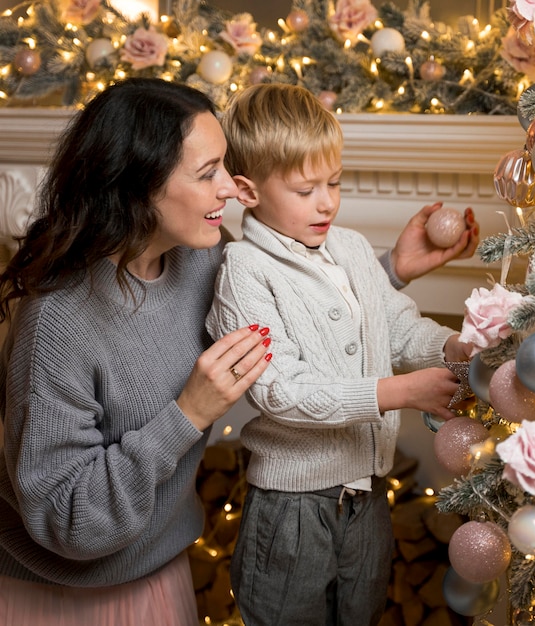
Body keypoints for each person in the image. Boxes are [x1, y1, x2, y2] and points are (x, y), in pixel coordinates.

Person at [0, 77, 476, 626]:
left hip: (159, 568)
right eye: (209, 175)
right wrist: (188, 413)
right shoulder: (57, 325)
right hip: (60, 594)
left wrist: (386, 270)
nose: (232, 188)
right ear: (136, 187)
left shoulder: (200, 259)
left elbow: (290, 306)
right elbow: (67, 521)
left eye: (225, 166)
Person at [205, 82, 476, 626]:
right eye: (305, 189)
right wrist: (397, 392)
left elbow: (395, 327)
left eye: (334, 182)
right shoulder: (244, 270)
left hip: (368, 498)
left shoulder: (350, 248)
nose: (326, 201)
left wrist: (454, 348)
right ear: (247, 190)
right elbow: (282, 390)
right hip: (292, 507)